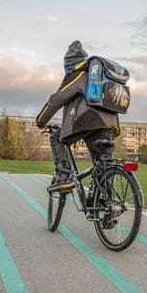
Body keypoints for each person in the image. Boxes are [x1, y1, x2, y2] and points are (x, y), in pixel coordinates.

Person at [36, 40, 120, 192]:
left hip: (88, 121)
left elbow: (57, 99)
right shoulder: (101, 76)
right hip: (111, 124)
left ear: (69, 64)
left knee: (56, 137)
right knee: (103, 167)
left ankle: (64, 175)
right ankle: (105, 203)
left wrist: (41, 121)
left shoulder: (78, 74)